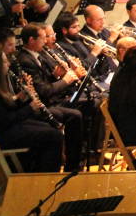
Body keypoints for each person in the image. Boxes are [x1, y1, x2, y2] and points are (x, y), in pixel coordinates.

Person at [0, 50, 64, 172]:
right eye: (4, 62)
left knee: (49, 128)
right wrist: (30, 108)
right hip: (1, 136)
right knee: (54, 135)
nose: (8, 64)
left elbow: (6, 109)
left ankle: (35, 171)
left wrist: (21, 98)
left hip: (7, 130)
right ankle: (45, 176)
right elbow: (4, 120)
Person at [14, 24, 84, 171]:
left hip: (49, 101)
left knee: (82, 107)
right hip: (41, 106)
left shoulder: (37, 55)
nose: (46, 41)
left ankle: (77, 158)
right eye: (42, 38)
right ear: (32, 40)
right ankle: (72, 165)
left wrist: (56, 76)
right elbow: (43, 91)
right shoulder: (26, 60)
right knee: (75, 115)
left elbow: (45, 83)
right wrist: (65, 81)